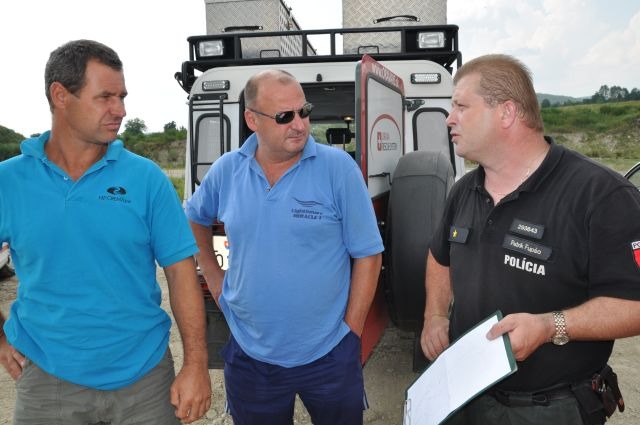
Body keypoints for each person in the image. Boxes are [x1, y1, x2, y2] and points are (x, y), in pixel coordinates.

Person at [420, 54, 640, 425]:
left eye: (461, 106)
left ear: (506, 113)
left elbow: (634, 304)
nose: (449, 119)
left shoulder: (600, 195)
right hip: (466, 392)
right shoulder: (464, 190)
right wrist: (435, 315)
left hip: (551, 407)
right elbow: (439, 257)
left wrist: (550, 327)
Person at [0, 39, 211, 424]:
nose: (121, 110)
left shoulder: (146, 178)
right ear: (61, 96)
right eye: (105, 98)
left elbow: (181, 272)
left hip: (145, 379)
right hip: (47, 379)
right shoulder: (8, 181)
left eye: (122, 97)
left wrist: (195, 364)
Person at [186, 69, 383, 424]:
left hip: (329, 353)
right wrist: (215, 279)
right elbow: (193, 218)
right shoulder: (227, 170)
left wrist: (351, 334)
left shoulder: (338, 169)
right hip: (250, 355)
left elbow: (368, 253)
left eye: (303, 111)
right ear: (252, 120)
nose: (300, 124)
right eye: (284, 116)